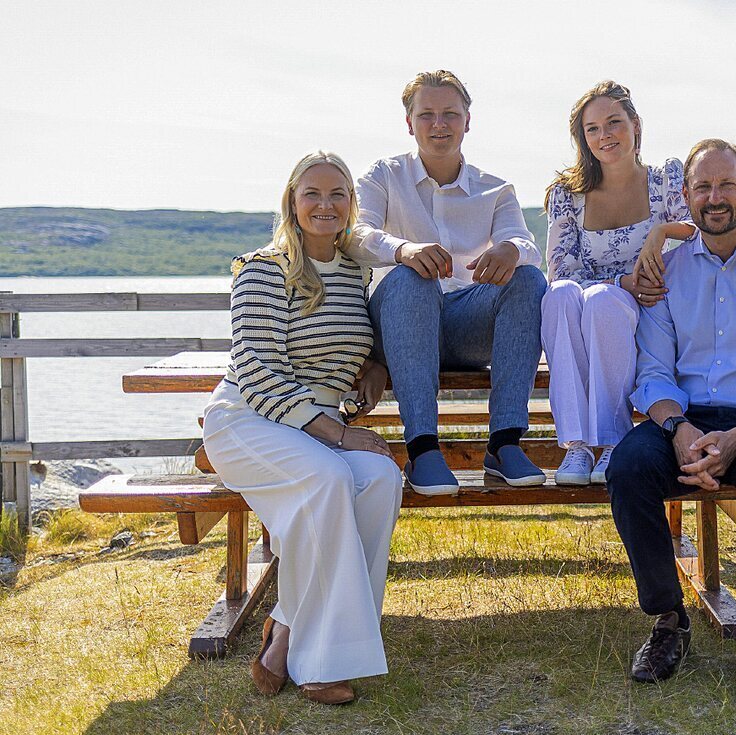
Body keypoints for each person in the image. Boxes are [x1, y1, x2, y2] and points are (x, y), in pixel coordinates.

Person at [606, 139, 736, 700]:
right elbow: (651, 375)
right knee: (628, 469)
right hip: (687, 419)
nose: (715, 197)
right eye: (703, 187)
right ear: (685, 197)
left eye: (726, 184)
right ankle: (668, 622)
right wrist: (681, 430)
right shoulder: (666, 272)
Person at [202, 152, 403, 705]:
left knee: (381, 478)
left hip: (314, 425)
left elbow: (343, 342)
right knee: (328, 478)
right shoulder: (261, 267)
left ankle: (289, 627)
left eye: (337, 193)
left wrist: (372, 365)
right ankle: (319, 661)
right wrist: (336, 434)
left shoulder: (357, 270)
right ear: (292, 201)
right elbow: (258, 369)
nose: (324, 204)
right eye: (311, 193)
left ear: (351, 205)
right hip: (250, 419)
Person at [349, 69, 547, 496]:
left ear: (468, 120)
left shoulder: (496, 190)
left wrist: (510, 250)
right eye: (427, 115)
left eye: (450, 114)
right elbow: (356, 234)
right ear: (409, 123)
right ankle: (422, 450)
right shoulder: (382, 176)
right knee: (412, 276)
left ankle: (504, 445)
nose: (439, 124)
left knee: (528, 279)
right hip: (397, 326)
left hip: (460, 328)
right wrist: (404, 249)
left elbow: (525, 243)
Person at [542, 81, 695, 485]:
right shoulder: (567, 194)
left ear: (635, 125)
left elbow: (698, 229)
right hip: (597, 305)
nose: (604, 135)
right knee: (561, 295)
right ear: (583, 139)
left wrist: (661, 232)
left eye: (614, 123)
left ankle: (613, 439)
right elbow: (560, 269)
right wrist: (619, 280)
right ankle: (576, 446)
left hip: (652, 307)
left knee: (602, 302)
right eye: (592, 129)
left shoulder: (665, 179)